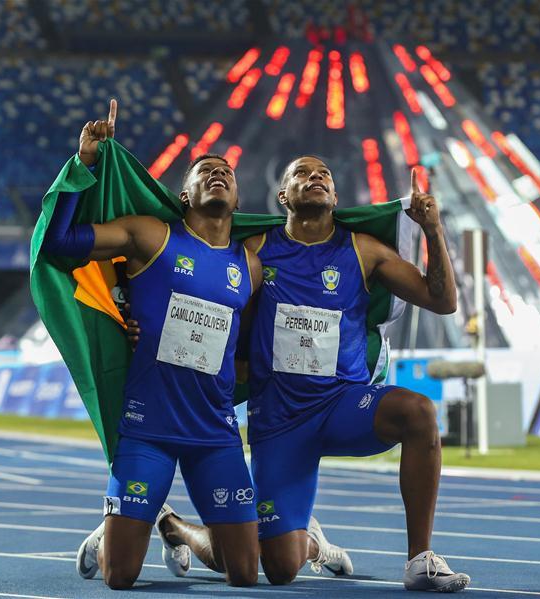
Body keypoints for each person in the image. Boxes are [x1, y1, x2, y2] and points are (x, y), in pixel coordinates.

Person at [146, 156, 470, 592]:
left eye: (324, 175)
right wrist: (137, 317)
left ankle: (420, 559)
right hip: (279, 421)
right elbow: (199, 289)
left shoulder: (363, 250)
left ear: (335, 198)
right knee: (276, 566)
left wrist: (432, 228)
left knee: (417, 411)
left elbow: (443, 301)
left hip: (341, 404)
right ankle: (178, 525)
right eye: (301, 173)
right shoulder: (256, 250)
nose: (315, 178)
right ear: (283, 197)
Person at [43, 100, 262, 589]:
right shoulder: (150, 236)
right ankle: (111, 537)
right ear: (184, 194)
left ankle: (173, 526)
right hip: (149, 428)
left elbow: (245, 346)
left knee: (245, 572)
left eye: (226, 171)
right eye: (205, 171)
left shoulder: (250, 266)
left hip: (216, 432)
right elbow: (60, 244)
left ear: (238, 197)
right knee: (120, 577)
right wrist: (85, 164)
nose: (218, 174)